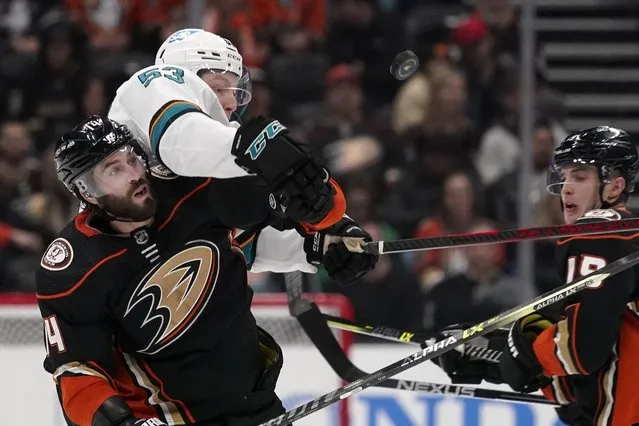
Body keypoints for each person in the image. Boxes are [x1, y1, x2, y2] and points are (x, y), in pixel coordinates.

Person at [36, 115, 378, 426]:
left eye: (131, 158)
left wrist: (333, 233)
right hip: (171, 418)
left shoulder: (194, 188)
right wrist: (123, 424)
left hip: (253, 399)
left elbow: (285, 201)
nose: (134, 174)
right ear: (85, 191)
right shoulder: (73, 268)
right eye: (114, 170)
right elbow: (77, 372)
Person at [431, 126, 639, 426]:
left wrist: (516, 355)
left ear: (614, 187)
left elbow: (584, 349)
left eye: (580, 177)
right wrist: (498, 353)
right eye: (564, 176)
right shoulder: (623, 237)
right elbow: (598, 354)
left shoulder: (601, 232)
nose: (566, 187)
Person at [108, 28, 346, 233]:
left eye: (235, 92)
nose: (232, 103)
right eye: (219, 89)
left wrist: (325, 236)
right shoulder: (146, 86)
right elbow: (182, 139)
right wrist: (258, 153)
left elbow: (246, 242)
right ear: (179, 78)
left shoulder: (214, 155)